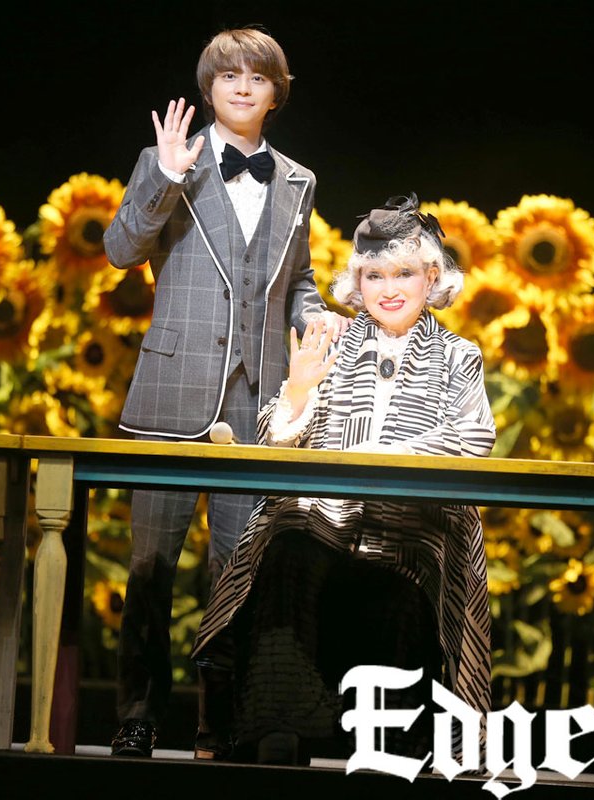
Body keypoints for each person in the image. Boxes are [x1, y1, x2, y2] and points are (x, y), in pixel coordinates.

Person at [102, 26, 346, 759]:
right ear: (208, 89)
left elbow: (297, 280)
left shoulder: (297, 180)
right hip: (172, 396)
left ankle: (221, 722)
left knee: (238, 574)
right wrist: (165, 176)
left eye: (257, 77)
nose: (242, 86)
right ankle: (138, 718)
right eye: (229, 75)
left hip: (257, 404)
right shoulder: (169, 161)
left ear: (276, 95)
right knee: (150, 572)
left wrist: (317, 320)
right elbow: (120, 250)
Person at [191, 193, 497, 766]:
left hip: (403, 547)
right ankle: (277, 738)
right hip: (319, 535)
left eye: (404, 273)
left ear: (432, 278)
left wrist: (377, 457)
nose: (389, 288)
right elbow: (275, 443)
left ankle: (387, 751)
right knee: (286, 552)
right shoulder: (331, 342)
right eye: (374, 275)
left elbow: (472, 439)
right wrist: (299, 389)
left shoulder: (459, 356)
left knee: (400, 596)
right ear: (358, 282)